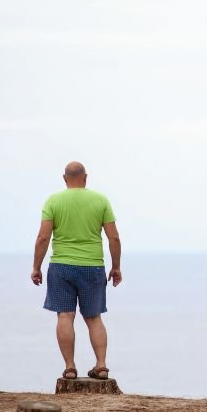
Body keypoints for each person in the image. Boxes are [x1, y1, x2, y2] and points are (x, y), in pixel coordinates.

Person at [31, 162, 122, 380]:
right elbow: (114, 237)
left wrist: (36, 266)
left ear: (65, 179)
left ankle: (70, 367)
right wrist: (116, 267)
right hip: (92, 266)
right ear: (86, 177)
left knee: (65, 315)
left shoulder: (54, 201)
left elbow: (43, 237)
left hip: (61, 266)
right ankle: (101, 365)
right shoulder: (101, 200)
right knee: (94, 318)